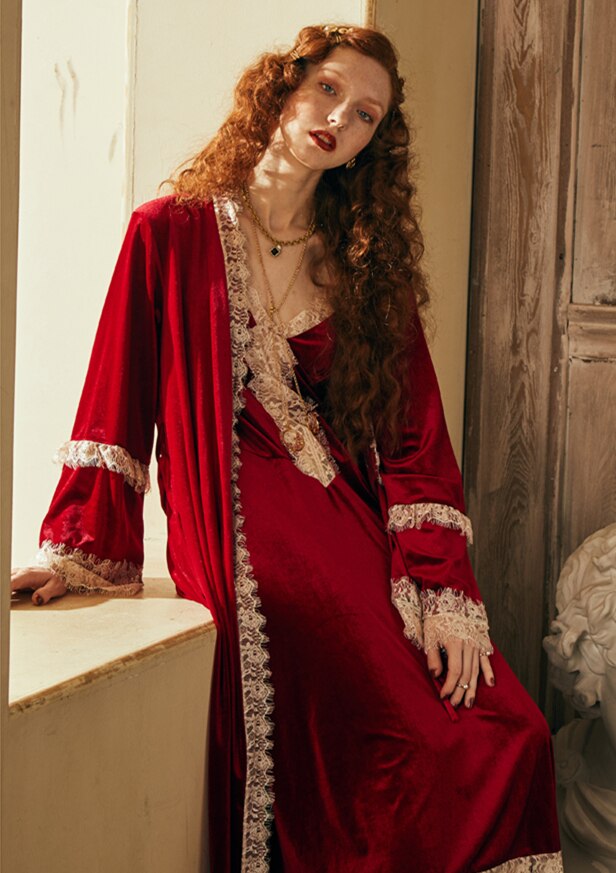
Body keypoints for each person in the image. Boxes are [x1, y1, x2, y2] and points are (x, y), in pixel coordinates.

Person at [11, 23, 564, 873]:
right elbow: (115, 396)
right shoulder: (169, 232)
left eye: (366, 114)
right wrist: (79, 548)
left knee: (510, 730)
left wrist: (443, 585)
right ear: (283, 86)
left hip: (352, 520)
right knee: (390, 730)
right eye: (328, 90)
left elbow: (414, 437)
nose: (340, 118)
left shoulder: (364, 263)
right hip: (241, 524)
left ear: (375, 142)